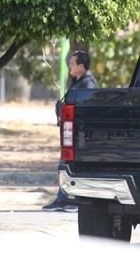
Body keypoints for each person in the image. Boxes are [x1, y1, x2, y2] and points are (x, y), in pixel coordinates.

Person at [43, 49, 97, 212]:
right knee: (65, 164)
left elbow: (84, 110)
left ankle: (69, 199)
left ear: (81, 66)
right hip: (71, 132)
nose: (69, 66)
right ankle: (65, 198)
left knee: (68, 164)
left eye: (72, 63)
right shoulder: (78, 82)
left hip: (79, 134)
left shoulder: (87, 84)